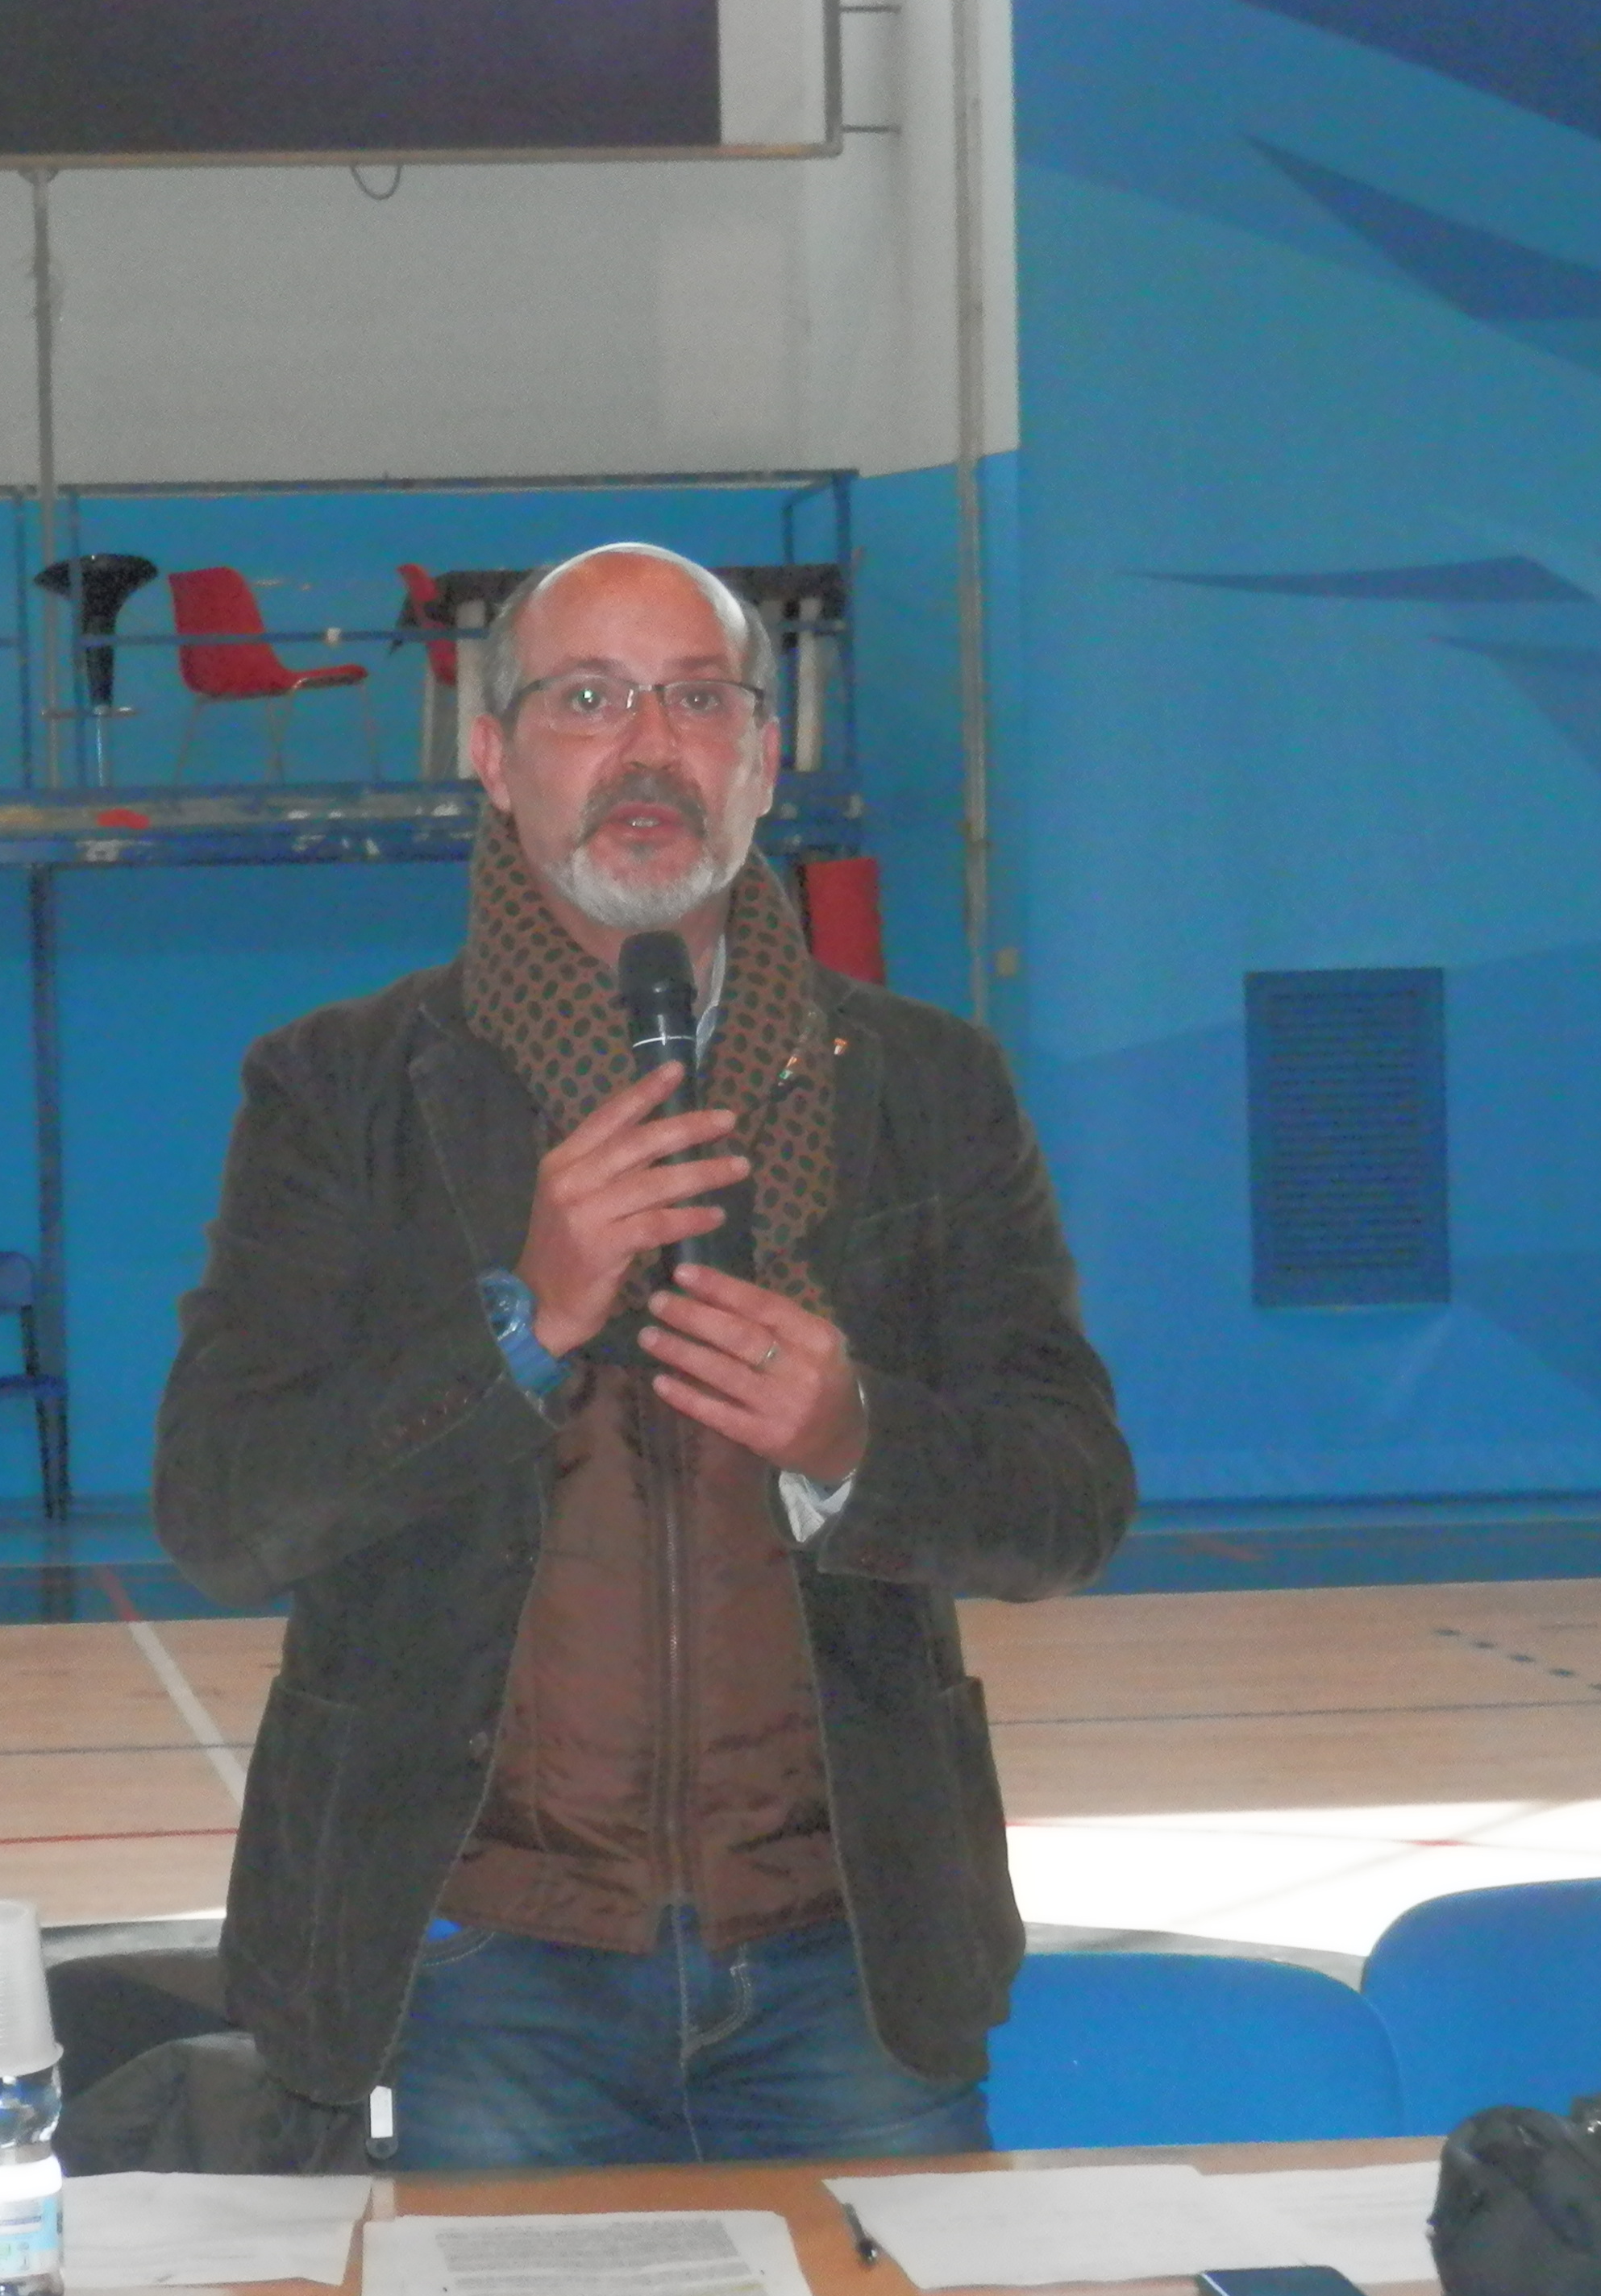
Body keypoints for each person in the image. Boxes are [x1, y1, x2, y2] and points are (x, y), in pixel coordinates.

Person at [154, 541, 1133, 2169]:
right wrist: (515, 1325)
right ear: (492, 754)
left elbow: (1069, 1500)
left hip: (848, 1964)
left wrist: (853, 1438)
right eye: (589, 700)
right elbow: (222, 1510)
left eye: (695, 700)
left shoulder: (924, 1086)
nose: (649, 749)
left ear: (760, 754)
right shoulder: (338, 1091)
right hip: (473, 1969)